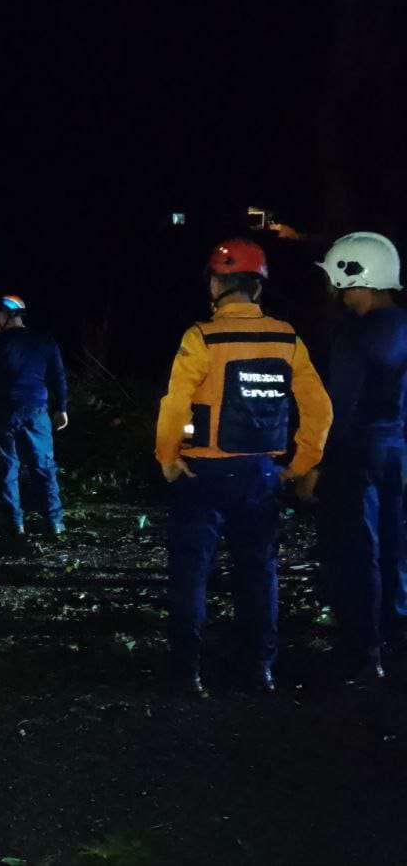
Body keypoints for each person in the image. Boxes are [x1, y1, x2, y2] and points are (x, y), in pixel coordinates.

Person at [156, 238, 331, 694]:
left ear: (216, 283)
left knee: (191, 573)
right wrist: (300, 464)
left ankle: (186, 672)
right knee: (258, 572)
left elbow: (174, 405)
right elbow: (320, 410)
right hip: (262, 475)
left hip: (202, 476)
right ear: (258, 287)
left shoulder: (201, 336)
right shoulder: (286, 337)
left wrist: (168, 458)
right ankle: (260, 669)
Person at [313, 231, 407, 681]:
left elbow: (339, 405)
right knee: (396, 542)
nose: (335, 292)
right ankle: (395, 631)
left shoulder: (352, 336)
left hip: (358, 454)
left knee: (358, 549)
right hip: (400, 451)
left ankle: (362, 650)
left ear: (356, 277)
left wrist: (317, 464)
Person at [0, 295, 67, 537]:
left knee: (7, 468)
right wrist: (61, 407)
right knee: (43, 465)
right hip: (37, 411)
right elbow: (58, 376)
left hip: (4, 412)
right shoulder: (44, 340)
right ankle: (55, 522)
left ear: (4, 316)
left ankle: (14, 524)